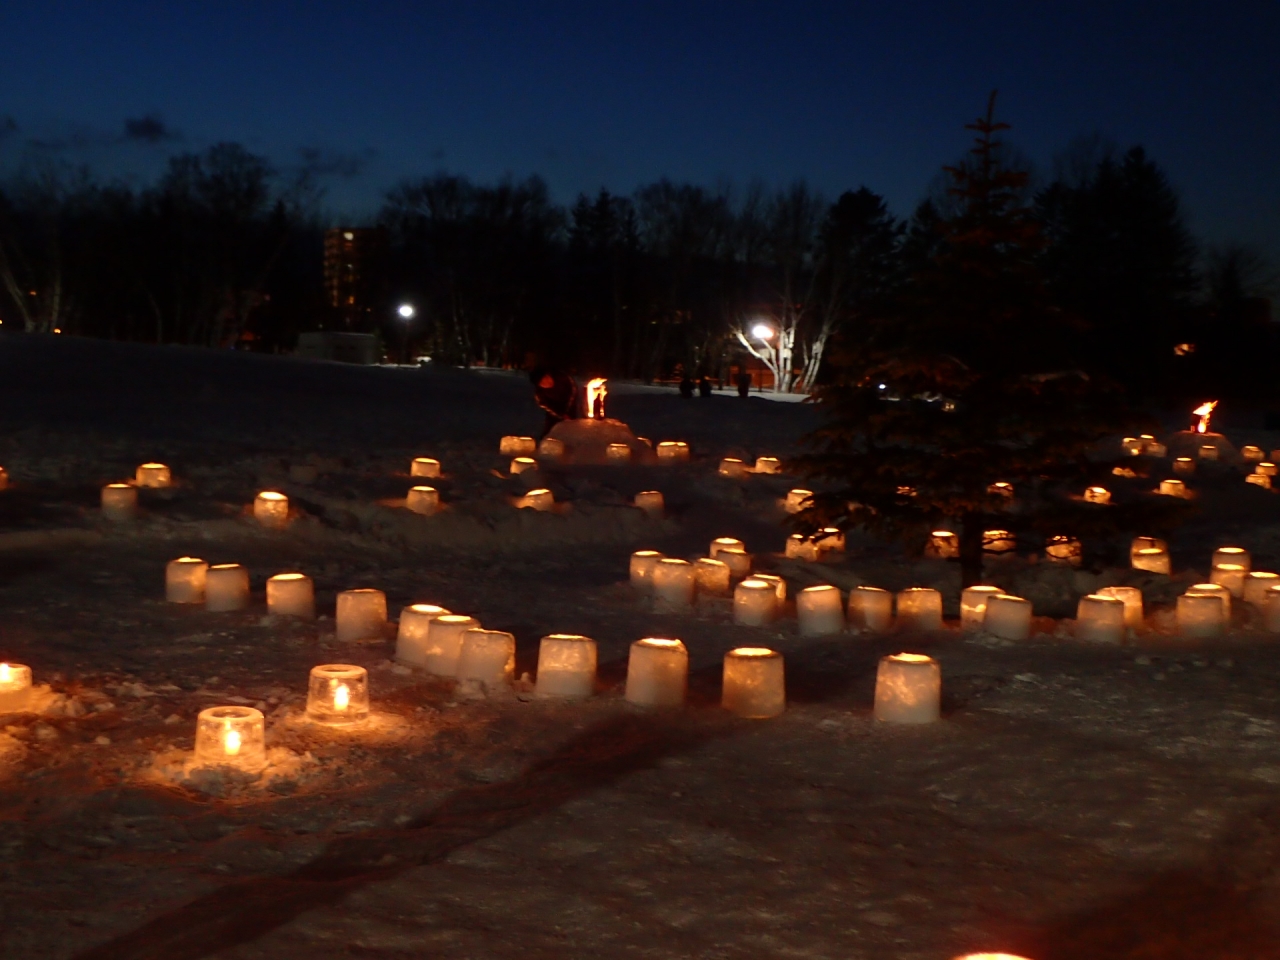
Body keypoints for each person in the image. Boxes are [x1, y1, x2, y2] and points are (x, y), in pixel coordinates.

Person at [530, 367, 577, 439]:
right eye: (543, 383)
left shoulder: (562, 378)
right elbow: (547, 407)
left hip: (569, 403)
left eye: (547, 378)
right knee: (551, 429)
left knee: (572, 427)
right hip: (554, 410)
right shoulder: (540, 394)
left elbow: (573, 391)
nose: (547, 382)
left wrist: (568, 411)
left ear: (549, 375)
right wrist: (560, 415)